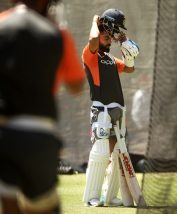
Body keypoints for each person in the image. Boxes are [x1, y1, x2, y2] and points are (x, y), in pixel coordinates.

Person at [0, 0, 85, 213]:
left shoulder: (1, 24)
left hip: (3, 133)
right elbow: (76, 85)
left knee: (8, 205)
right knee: (43, 207)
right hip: (39, 135)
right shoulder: (56, 33)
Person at [82, 8, 140, 207]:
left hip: (118, 108)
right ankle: (92, 197)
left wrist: (125, 46)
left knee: (117, 154)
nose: (107, 38)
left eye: (109, 37)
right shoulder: (90, 54)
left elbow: (130, 68)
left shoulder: (111, 60)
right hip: (101, 108)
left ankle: (110, 195)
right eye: (104, 36)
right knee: (100, 153)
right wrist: (95, 20)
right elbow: (92, 39)